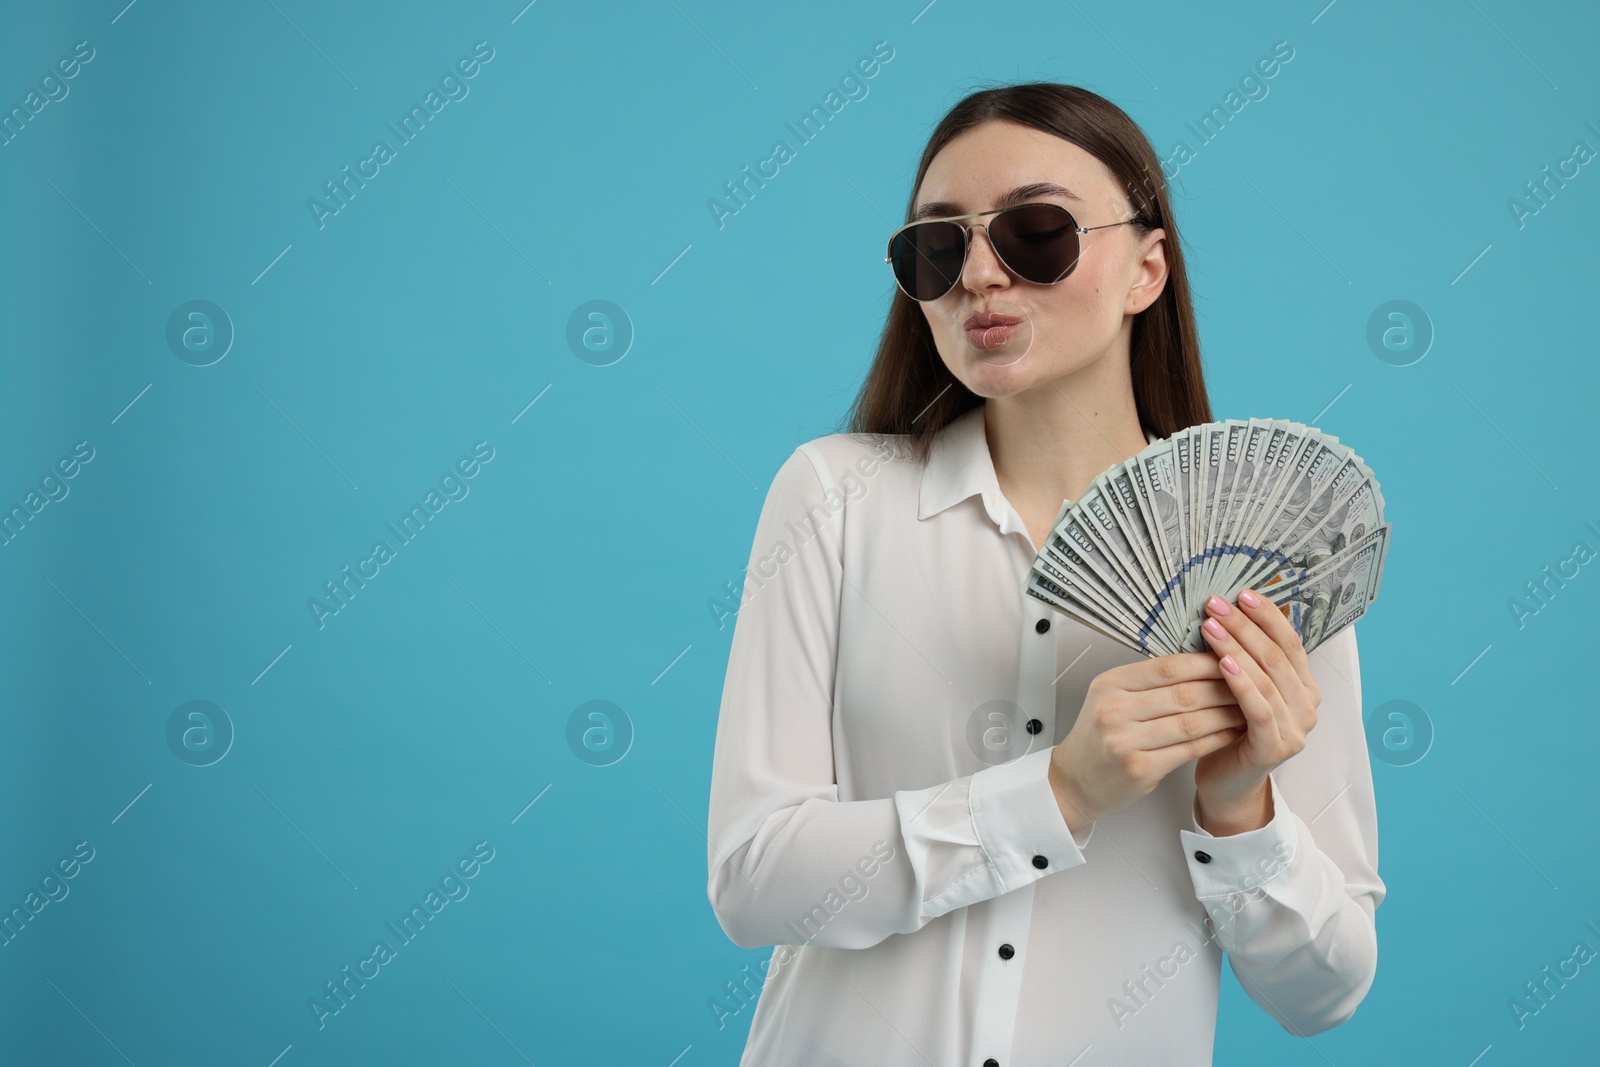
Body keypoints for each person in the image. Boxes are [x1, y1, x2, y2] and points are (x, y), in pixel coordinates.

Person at [705, 82, 1383, 1067]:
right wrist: (1057, 790)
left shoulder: (1269, 557)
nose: (980, 272)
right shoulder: (833, 499)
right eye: (938, 247)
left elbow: (1324, 991)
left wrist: (1238, 807)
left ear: (1147, 268)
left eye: (1036, 232)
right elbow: (753, 878)